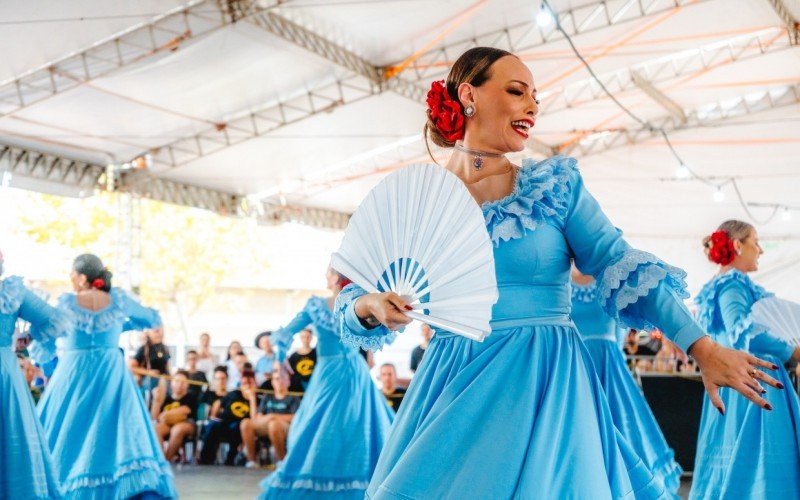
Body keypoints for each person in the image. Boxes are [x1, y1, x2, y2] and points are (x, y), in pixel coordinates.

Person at [335, 47, 782, 499]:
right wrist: (368, 306)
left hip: (546, 381)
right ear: (468, 95)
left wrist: (702, 347)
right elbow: (353, 298)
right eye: (516, 91)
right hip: (452, 383)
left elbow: (620, 266)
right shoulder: (420, 201)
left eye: (536, 97)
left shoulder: (554, 188)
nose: (532, 105)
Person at [37, 253, 176, 498]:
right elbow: (150, 318)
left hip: (74, 371)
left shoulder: (68, 303)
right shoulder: (117, 300)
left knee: (68, 427)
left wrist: (44, 353)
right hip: (110, 371)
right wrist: (118, 327)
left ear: (81, 278)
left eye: (72, 276)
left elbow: (45, 336)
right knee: (114, 429)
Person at [258, 267, 394, 499]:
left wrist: (281, 361)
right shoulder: (360, 304)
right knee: (357, 423)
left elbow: (284, 334)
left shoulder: (318, 306)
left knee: (320, 423)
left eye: (329, 272)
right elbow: (382, 334)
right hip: (354, 373)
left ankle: (313, 476)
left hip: (331, 373)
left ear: (335, 278)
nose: (325, 275)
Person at [690, 221, 800, 499]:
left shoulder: (721, 286)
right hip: (753, 382)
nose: (760, 250)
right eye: (756, 242)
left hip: (738, 381)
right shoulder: (733, 285)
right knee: (762, 464)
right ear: (738, 245)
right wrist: (792, 352)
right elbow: (743, 331)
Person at [571, 267, 682, 492]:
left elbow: (651, 308)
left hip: (610, 370)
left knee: (622, 429)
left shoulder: (612, 281)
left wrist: (679, 336)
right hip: (575, 368)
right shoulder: (559, 281)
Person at [0, 250, 72, 500]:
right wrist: (27, 337)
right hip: (4, 371)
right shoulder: (10, 292)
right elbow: (56, 320)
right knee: (10, 434)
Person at [241, 367, 301, 467]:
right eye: (276, 379)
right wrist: (252, 399)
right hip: (266, 425)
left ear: (288, 381)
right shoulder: (267, 397)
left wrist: (272, 416)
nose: (279, 381)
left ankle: (282, 460)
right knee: (246, 423)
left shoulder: (294, 398)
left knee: (274, 424)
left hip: (286, 428)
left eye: (282, 378)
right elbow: (256, 418)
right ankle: (251, 461)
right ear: (272, 382)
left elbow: (295, 417)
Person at [199, 369, 257, 466]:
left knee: (237, 427)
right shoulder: (234, 394)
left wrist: (252, 399)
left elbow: (254, 419)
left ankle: (231, 458)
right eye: (244, 383)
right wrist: (213, 415)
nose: (247, 386)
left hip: (240, 426)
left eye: (249, 383)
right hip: (224, 422)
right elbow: (219, 403)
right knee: (213, 425)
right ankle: (205, 458)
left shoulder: (257, 399)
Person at [153, 370, 198, 462]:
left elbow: (185, 411)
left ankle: (166, 460)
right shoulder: (166, 398)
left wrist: (165, 415)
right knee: (155, 429)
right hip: (168, 424)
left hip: (187, 424)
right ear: (172, 383)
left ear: (187, 384)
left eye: (183, 382)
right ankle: (160, 460)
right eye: (177, 381)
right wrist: (156, 401)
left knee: (177, 429)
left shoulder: (191, 397)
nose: (179, 384)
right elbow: (155, 417)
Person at [286, 328, 316, 392]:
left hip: (315, 384)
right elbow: (290, 373)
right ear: (300, 337)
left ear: (311, 337)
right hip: (299, 387)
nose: (305, 339)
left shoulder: (317, 353)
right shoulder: (293, 356)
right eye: (303, 337)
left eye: (308, 337)